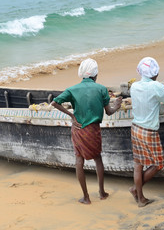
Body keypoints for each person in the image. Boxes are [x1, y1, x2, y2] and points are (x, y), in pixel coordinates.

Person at [51, 58, 122, 204]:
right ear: (95, 75)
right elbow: (109, 112)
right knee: (98, 159)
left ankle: (86, 197)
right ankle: (102, 193)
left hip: (78, 128)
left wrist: (71, 115)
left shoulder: (72, 89)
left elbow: (54, 102)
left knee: (79, 160)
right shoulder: (102, 89)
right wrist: (117, 105)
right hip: (93, 130)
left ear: (81, 75)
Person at [129, 57, 164, 207]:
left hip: (135, 128)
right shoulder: (155, 86)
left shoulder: (134, 86)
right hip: (149, 131)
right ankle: (135, 190)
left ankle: (140, 198)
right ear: (155, 74)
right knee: (158, 164)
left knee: (138, 164)